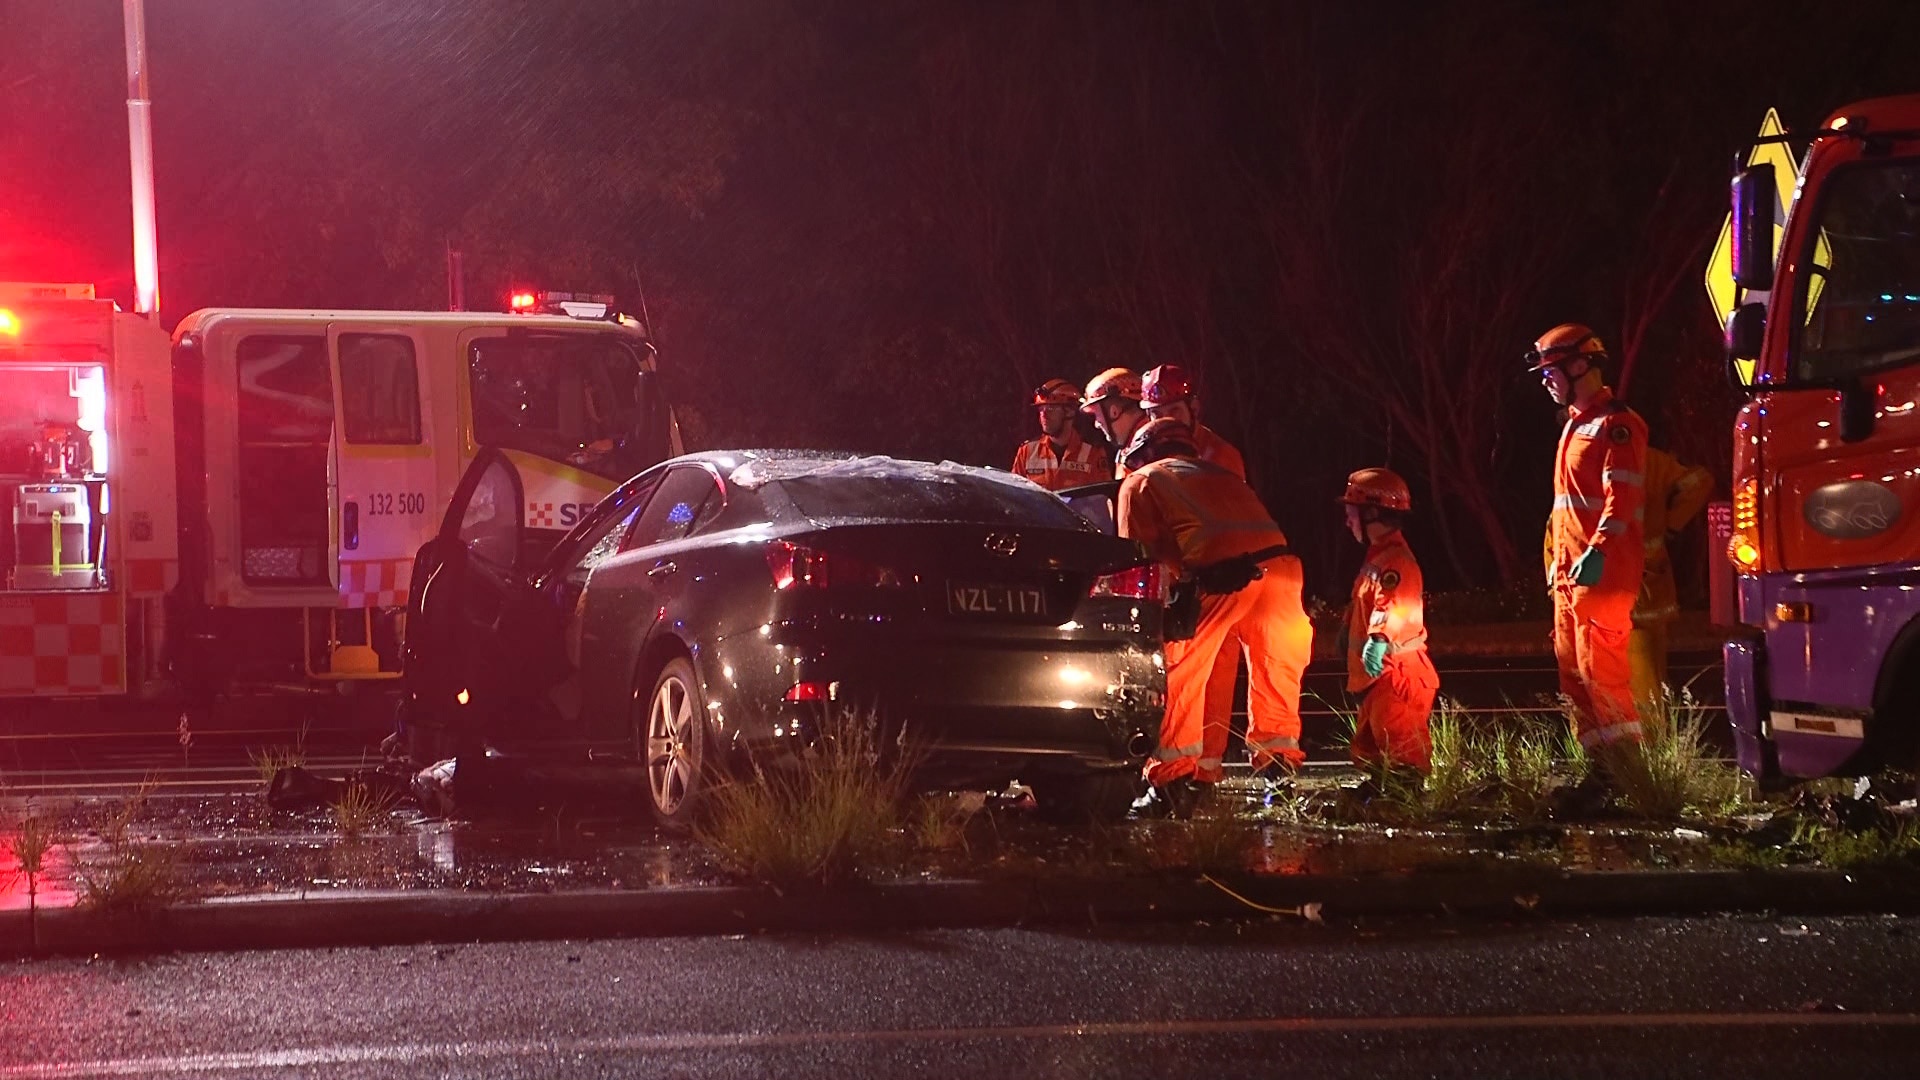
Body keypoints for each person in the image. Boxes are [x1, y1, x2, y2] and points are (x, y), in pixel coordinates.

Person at [1117, 418, 1313, 818]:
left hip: (1222, 577)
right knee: (1275, 674)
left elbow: (1139, 557)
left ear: (1146, 453)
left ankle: (1171, 784)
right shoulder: (1222, 475)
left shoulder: (1142, 481)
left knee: (1180, 670)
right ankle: (1281, 779)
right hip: (1283, 572)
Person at [1527, 324, 1649, 771]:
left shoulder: (1617, 425)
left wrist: (1598, 550)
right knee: (1576, 679)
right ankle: (1601, 773)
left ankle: (1629, 776)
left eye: (1550, 371)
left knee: (1603, 677)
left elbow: (1623, 496)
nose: (1546, 381)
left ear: (1580, 366)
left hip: (1603, 574)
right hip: (1571, 578)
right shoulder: (1575, 427)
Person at [1142, 363, 1247, 786]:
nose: (1163, 419)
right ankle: (1170, 769)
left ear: (1193, 407)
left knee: (1215, 677)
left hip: (1215, 577)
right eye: (1154, 412)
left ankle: (1202, 773)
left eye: (1171, 409)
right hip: (1171, 578)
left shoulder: (1220, 455)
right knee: (1174, 676)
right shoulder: (1143, 450)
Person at [1338, 467, 1440, 779]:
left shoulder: (1395, 560)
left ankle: (1404, 811)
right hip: (1379, 677)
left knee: (1403, 759)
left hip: (1396, 675)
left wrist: (1378, 637)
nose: (1347, 519)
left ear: (1371, 513)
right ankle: (1384, 803)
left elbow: (1393, 602)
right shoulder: (1379, 557)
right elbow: (1369, 601)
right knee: (1376, 754)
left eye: (1351, 511)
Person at [1630, 446, 1714, 712]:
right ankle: (1658, 739)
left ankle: (1647, 742)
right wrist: (1671, 522)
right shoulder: (1652, 460)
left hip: (1621, 587)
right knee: (1654, 670)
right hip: (1653, 579)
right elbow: (1701, 481)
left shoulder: (1594, 459)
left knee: (1638, 674)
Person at [1141, 364, 1246, 479]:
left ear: (1194, 409)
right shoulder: (1144, 455)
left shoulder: (1222, 456)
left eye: (1174, 411)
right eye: (1157, 414)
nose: (1166, 420)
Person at [1012, 378, 1112, 491]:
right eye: (1041, 408)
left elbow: (1103, 501)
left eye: (1050, 408)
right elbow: (1015, 498)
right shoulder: (1026, 452)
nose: (1043, 415)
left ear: (1070, 411)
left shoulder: (1093, 454)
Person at [1080, 368, 1148, 478]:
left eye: (1097, 415)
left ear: (1114, 411)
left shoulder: (1144, 453)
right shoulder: (1132, 450)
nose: (1097, 424)